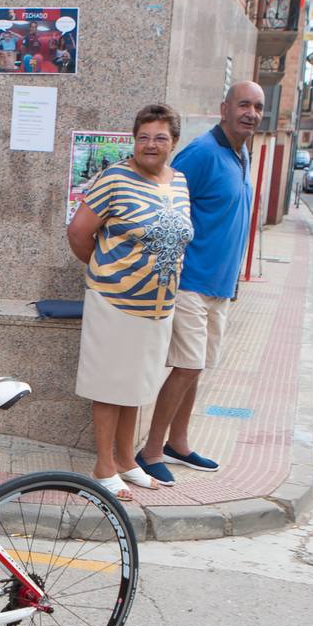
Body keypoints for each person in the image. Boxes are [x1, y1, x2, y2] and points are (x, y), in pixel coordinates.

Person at [135, 81, 263, 485]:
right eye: (244, 105)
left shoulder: (240, 152)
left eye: (258, 107)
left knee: (198, 366)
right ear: (223, 108)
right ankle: (151, 450)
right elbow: (162, 193)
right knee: (187, 365)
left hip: (219, 286)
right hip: (189, 280)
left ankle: (179, 443)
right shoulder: (203, 153)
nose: (251, 113)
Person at [67, 104, 193, 501]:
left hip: (159, 306)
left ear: (174, 142)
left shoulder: (180, 181)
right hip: (115, 302)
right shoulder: (114, 178)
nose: (150, 145)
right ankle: (104, 466)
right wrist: (110, 270)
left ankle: (125, 459)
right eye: (143, 137)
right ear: (133, 140)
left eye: (160, 137)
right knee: (110, 385)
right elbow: (79, 232)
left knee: (137, 386)